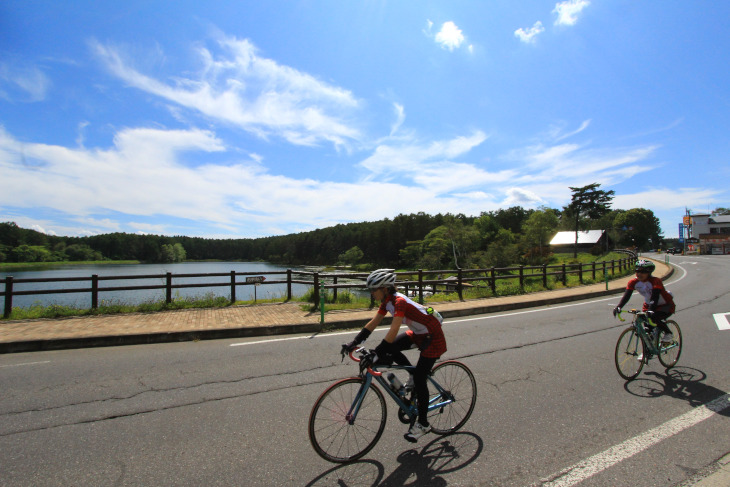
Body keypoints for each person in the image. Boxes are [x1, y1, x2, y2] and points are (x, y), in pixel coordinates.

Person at [342, 269, 447, 442]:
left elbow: (393, 330)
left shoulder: (398, 302)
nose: (371, 293)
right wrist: (354, 342)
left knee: (421, 378)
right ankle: (411, 374)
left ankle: (423, 424)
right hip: (419, 333)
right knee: (391, 349)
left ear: (384, 288)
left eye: (373, 289)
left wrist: (376, 352)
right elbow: (373, 323)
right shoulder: (387, 301)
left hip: (433, 336)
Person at [613, 259, 675, 345]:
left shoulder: (655, 281)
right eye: (637, 271)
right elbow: (626, 296)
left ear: (649, 273)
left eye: (643, 272)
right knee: (646, 328)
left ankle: (668, 333)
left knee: (655, 318)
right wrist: (619, 306)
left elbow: (655, 297)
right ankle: (648, 351)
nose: (639, 274)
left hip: (664, 305)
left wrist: (651, 310)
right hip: (649, 304)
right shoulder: (633, 282)